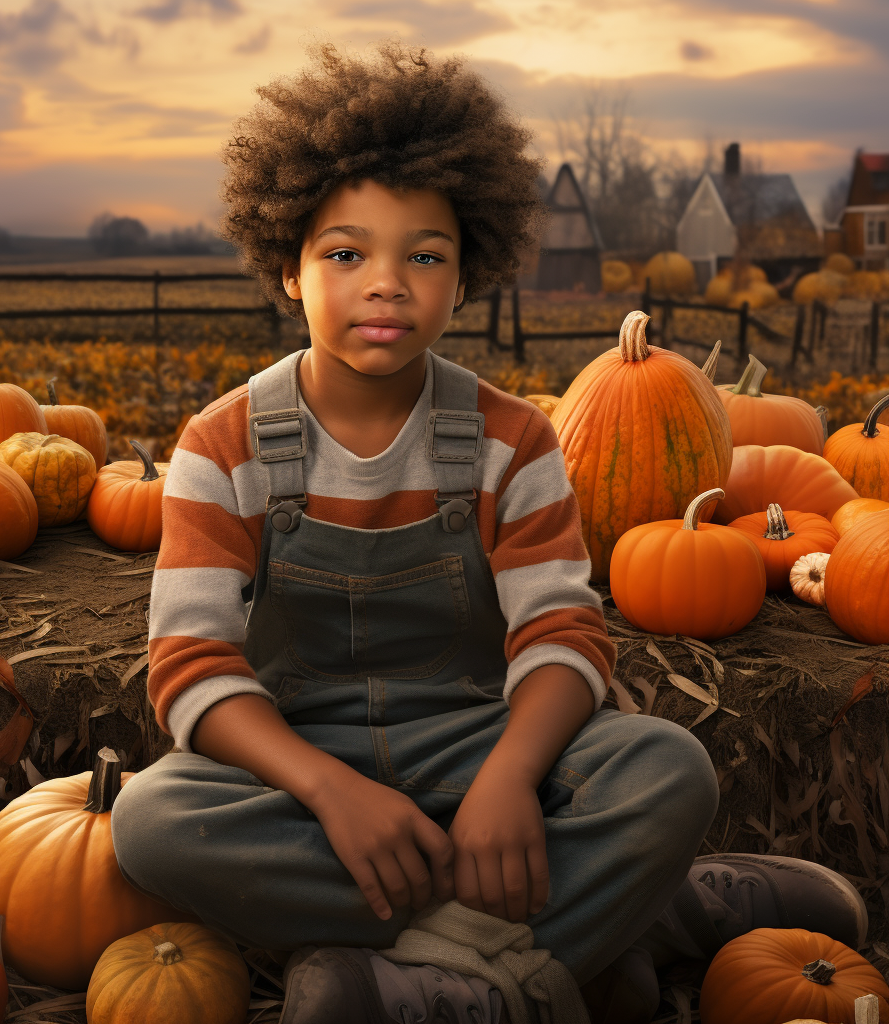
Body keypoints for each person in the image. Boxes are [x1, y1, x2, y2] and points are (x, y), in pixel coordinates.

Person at [111, 39, 869, 1024]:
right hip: (305, 756)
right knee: (151, 821)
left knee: (662, 767)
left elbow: (563, 632)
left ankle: (435, 977)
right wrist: (331, 792)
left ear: (464, 276)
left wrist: (512, 775)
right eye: (346, 252)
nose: (386, 283)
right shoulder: (225, 446)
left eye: (422, 255)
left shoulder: (511, 438)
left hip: (481, 735)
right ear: (286, 269)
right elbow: (190, 663)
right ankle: (629, 918)